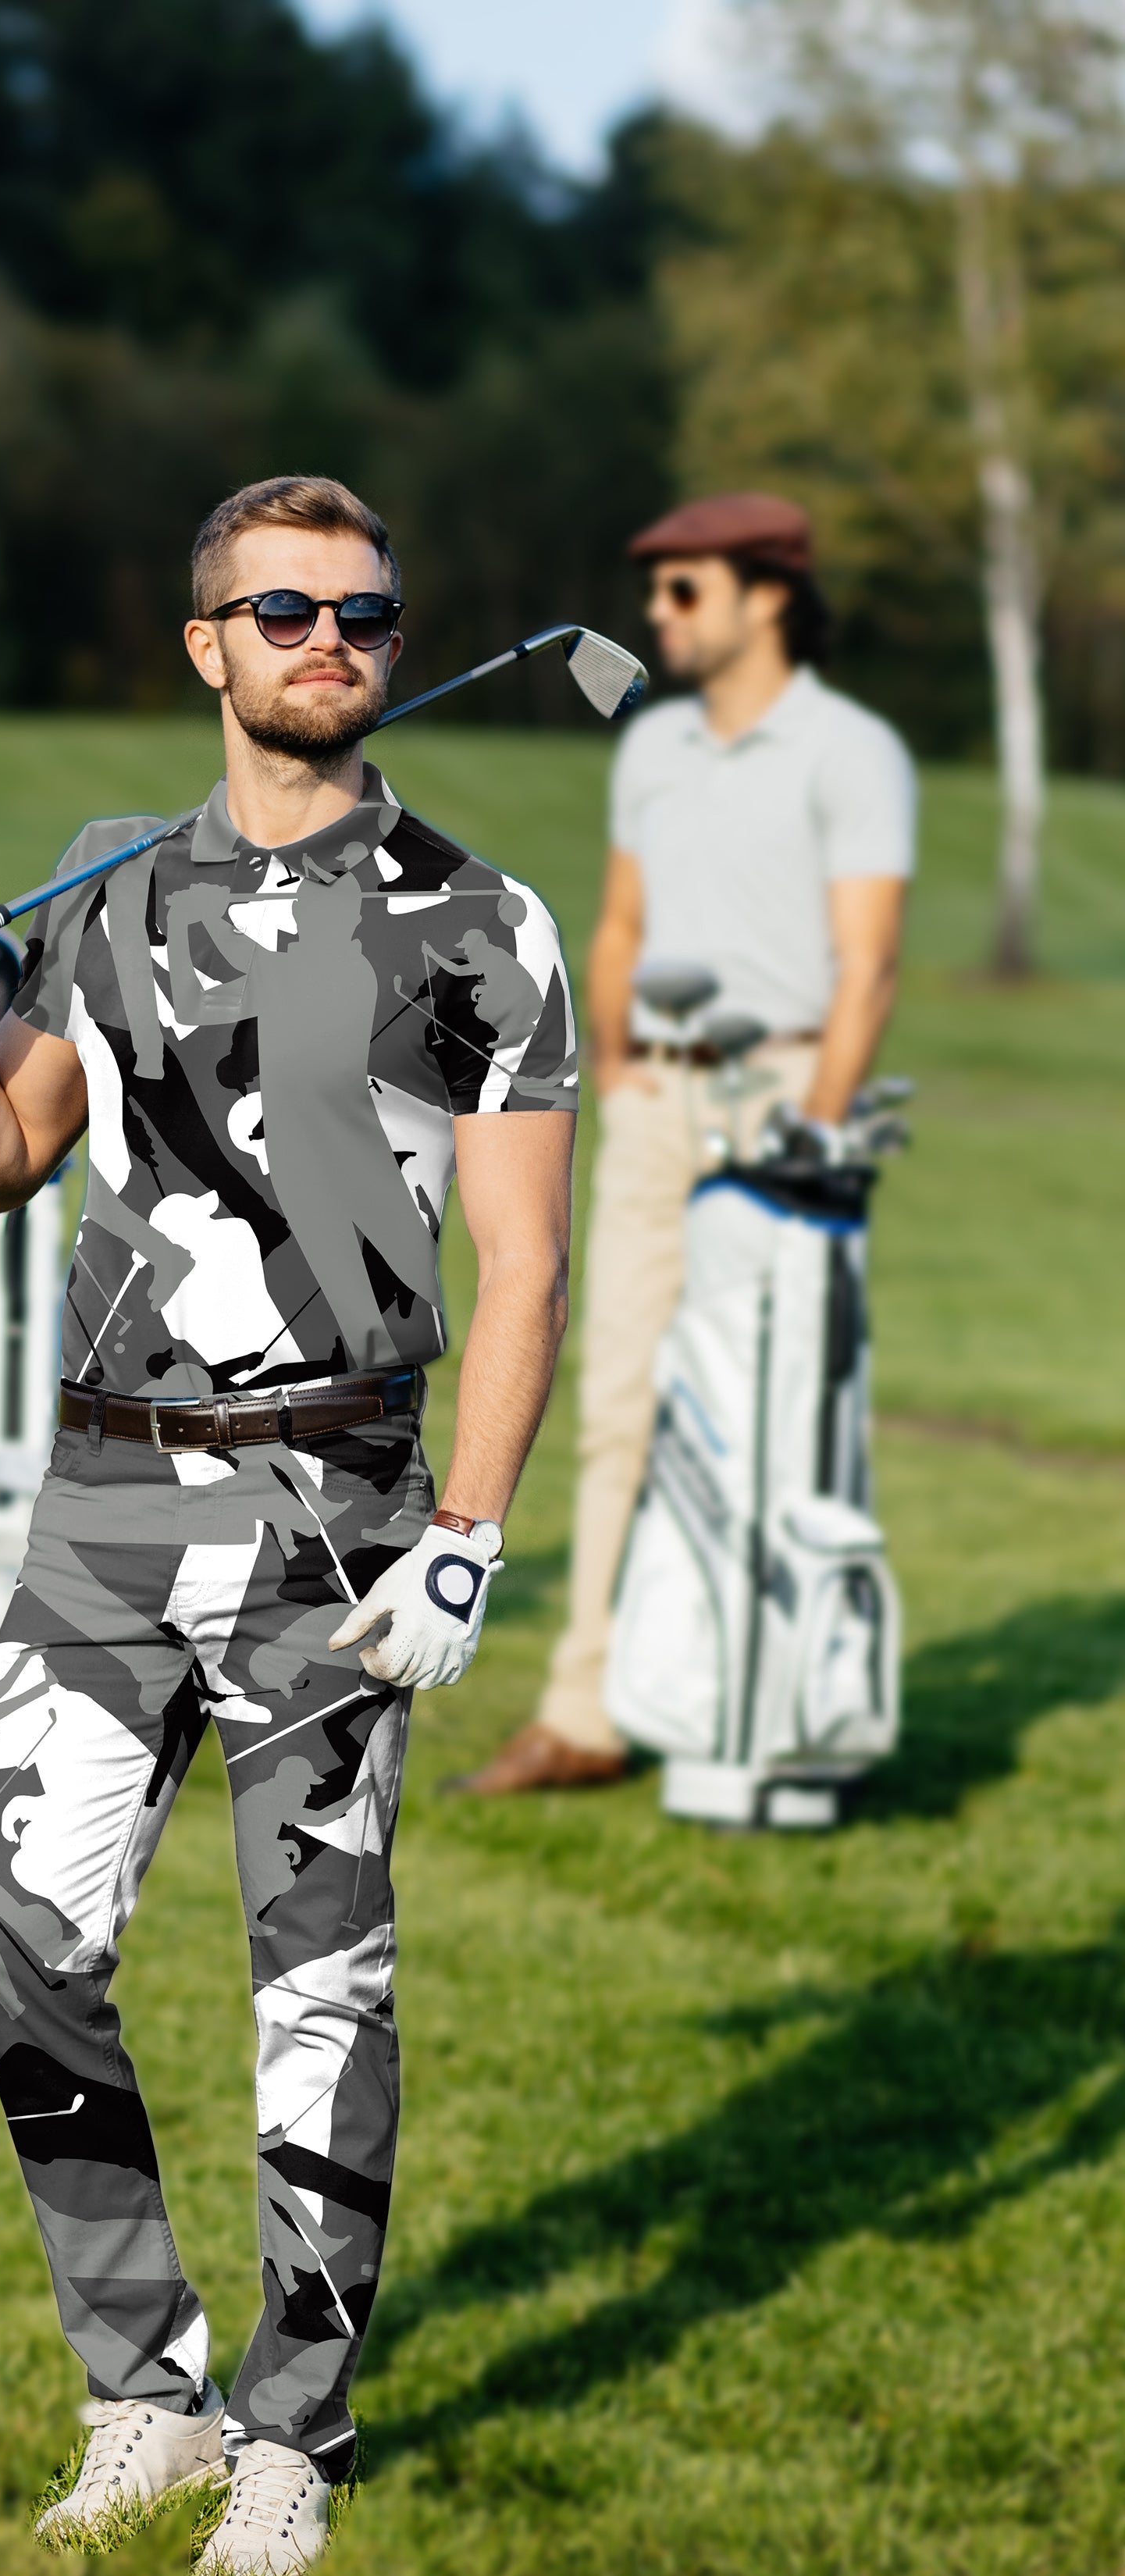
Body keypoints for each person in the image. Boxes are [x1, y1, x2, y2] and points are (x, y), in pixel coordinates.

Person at [0, 474, 577, 2576]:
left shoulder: (481, 921)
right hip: (101, 1499)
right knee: (18, 1940)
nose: (328, 639)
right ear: (211, 649)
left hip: (339, 1515)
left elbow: (527, 1267)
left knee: (319, 1989)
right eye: (282, 610)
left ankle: (291, 2430)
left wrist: (468, 1532)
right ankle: (141, 2384)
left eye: (361, 610)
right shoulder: (104, 897)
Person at [457, 490, 915, 1797]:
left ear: (769, 594)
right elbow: (618, 927)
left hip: (782, 1099)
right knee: (616, 1409)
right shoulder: (652, 748)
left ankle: (760, 1706)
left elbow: (869, 966)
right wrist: (617, 1066)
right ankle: (589, 1709)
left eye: (685, 591)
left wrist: (815, 1135)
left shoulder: (851, 749)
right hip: (656, 1100)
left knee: (766, 1415)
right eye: (653, 591)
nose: (658, 615)